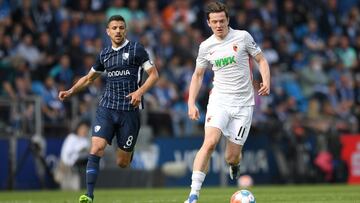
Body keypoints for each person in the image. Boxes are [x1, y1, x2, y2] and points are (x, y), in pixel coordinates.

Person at [58, 15, 159, 203]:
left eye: (121, 27)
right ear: (108, 31)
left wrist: (140, 92)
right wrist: (70, 91)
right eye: (114, 28)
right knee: (96, 147)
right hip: (107, 107)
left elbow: (154, 75)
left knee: (122, 162)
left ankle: (129, 150)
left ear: (125, 30)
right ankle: (89, 195)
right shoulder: (104, 54)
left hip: (129, 111)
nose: (118, 31)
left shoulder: (136, 49)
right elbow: (89, 78)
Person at [184, 2, 270, 203]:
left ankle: (234, 164)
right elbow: (197, 76)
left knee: (231, 157)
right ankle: (193, 195)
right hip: (219, 101)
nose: (219, 25)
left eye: (222, 20)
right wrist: (191, 103)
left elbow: (262, 60)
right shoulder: (206, 46)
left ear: (228, 20)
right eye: (214, 22)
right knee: (210, 142)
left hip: (243, 105)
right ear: (209, 23)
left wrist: (266, 80)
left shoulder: (242, 37)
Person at [55, 121, 90, 190]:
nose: (84, 131)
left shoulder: (85, 141)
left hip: (76, 167)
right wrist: (81, 150)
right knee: (65, 187)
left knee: (75, 187)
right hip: (65, 166)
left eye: (86, 129)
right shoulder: (71, 137)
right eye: (83, 129)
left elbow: (86, 154)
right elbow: (66, 152)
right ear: (78, 129)